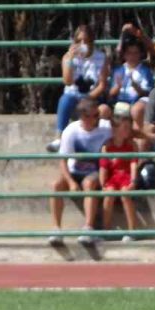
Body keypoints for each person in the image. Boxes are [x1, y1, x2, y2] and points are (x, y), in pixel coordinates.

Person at [48, 98, 112, 246]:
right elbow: (62, 161)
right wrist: (70, 182)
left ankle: (88, 228)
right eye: (91, 116)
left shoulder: (106, 127)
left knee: (89, 184)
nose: (96, 119)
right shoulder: (71, 130)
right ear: (82, 116)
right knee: (55, 186)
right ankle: (56, 229)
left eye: (97, 115)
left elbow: (123, 131)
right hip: (74, 170)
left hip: (95, 171)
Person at [49, 25, 110, 152]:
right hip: (73, 95)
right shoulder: (68, 57)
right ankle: (59, 138)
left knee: (101, 109)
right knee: (65, 99)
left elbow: (102, 85)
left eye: (86, 40)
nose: (83, 43)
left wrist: (88, 98)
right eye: (79, 41)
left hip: (92, 96)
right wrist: (70, 60)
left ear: (92, 41)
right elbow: (67, 81)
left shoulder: (101, 57)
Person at [99, 111, 140, 241]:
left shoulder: (132, 145)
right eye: (125, 128)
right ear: (115, 129)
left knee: (125, 193)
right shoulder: (107, 146)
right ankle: (106, 230)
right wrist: (103, 184)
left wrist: (133, 181)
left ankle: (132, 230)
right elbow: (103, 167)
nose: (128, 130)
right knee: (109, 193)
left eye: (129, 127)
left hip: (126, 176)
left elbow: (134, 164)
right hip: (113, 177)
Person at [108, 39, 155, 135]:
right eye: (129, 53)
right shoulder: (118, 70)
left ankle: (139, 136)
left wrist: (136, 87)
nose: (132, 56)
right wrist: (118, 87)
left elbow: (148, 92)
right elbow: (111, 93)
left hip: (137, 101)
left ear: (140, 54)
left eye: (135, 53)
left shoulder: (145, 71)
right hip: (120, 102)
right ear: (124, 55)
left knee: (136, 110)